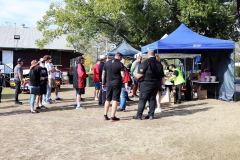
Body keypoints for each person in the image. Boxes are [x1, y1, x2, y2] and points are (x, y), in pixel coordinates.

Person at [133, 50, 165, 120]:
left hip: (146, 83)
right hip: (156, 83)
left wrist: (134, 79)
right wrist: (163, 85)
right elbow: (162, 77)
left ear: (148, 55)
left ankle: (139, 115)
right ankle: (151, 115)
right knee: (152, 99)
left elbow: (140, 74)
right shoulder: (159, 64)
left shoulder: (146, 62)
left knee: (142, 99)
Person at [102, 52, 125, 122]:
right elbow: (123, 75)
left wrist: (103, 83)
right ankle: (112, 116)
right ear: (119, 57)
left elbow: (103, 74)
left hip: (108, 83)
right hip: (116, 84)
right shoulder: (120, 64)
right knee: (115, 100)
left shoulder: (107, 63)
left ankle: (105, 115)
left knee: (108, 99)